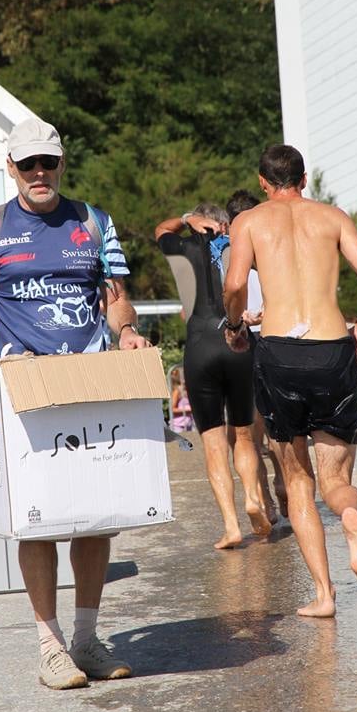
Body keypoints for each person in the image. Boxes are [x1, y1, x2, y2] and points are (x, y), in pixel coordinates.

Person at [0, 116, 149, 691]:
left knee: (96, 517)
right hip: (24, 387)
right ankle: (50, 647)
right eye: (28, 163)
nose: (39, 172)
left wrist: (127, 330)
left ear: (62, 164)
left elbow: (116, 298)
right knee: (36, 521)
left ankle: (86, 640)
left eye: (48, 162)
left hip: (87, 382)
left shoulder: (93, 221)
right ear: (11, 167)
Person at [224, 144, 357, 617]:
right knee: (336, 481)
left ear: (262, 182)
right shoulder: (333, 217)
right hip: (332, 347)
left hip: (280, 352)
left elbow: (235, 285)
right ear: (305, 179)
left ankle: (324, 595)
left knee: (297, 481)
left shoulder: (248, 221)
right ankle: (350, 515)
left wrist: (234, 325)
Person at [155, 203, 272, 550]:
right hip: (238, 344)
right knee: (244, 437)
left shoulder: (181, 249)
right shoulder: (240, 250)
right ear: (224, 224)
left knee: (213, 442)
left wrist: (185, 219)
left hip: (199, 348)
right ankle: (253, 497)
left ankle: (232, 526)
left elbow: (161, 230)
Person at [225, 189, 287, 520]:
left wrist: (236, 321)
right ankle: (282, 483)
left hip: (241, 338)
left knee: (250, 429)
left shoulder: (227, 255)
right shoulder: (273, 249)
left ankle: (266, 498)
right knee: (276, 421)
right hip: (274, 337)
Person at [168, 367, 193, 433]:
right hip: (178, 426)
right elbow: (172, 409)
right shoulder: (177, 391)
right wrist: (188, 410)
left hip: (189, 425)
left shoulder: (187, 390)